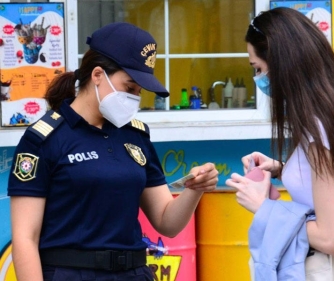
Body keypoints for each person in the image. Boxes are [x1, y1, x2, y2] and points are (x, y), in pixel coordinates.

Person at [8, 22, 218, 281]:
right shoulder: (45, 138)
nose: (134, 98)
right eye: (129, 88)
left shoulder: (135, 136)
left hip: (134, 272)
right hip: (71, 273)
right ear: (97, 75)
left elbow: (167, 223)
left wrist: (194, 189)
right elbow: (25, 239)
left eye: (139, 92)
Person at [226, 7, 334, 280]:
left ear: (283, 63)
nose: (258, 79)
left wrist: (265, 208)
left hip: (332, 268)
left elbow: (330, 239)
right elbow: (331, 182)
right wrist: (282, 168)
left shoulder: (318, 129)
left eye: (258, 69)